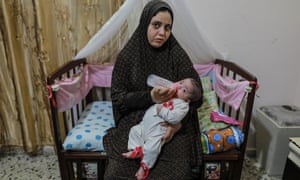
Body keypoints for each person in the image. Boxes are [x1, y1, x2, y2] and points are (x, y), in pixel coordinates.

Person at [103, 0, 203, 179]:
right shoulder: (127, 56)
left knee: (178, 173)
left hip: (169, 124)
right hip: (135, 121)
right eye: (156, 25)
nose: (162, 33)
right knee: (117, 173)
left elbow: (197, 95)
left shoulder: (176, 54)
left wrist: (177, 124)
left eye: (167, 27)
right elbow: (118, 99)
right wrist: (150, 97)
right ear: (145, 23)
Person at [122, 77, 202, 180]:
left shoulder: (183, 105)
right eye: (181, 82)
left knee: (153, 148)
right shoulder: (170, 94)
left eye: (184, 90)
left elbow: (174, 118)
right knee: (134, 130)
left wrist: (162, 112)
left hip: (158, 130)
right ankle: (136, 150)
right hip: (145, 124)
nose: (179, 86)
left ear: (187, 99)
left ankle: (144, 167)